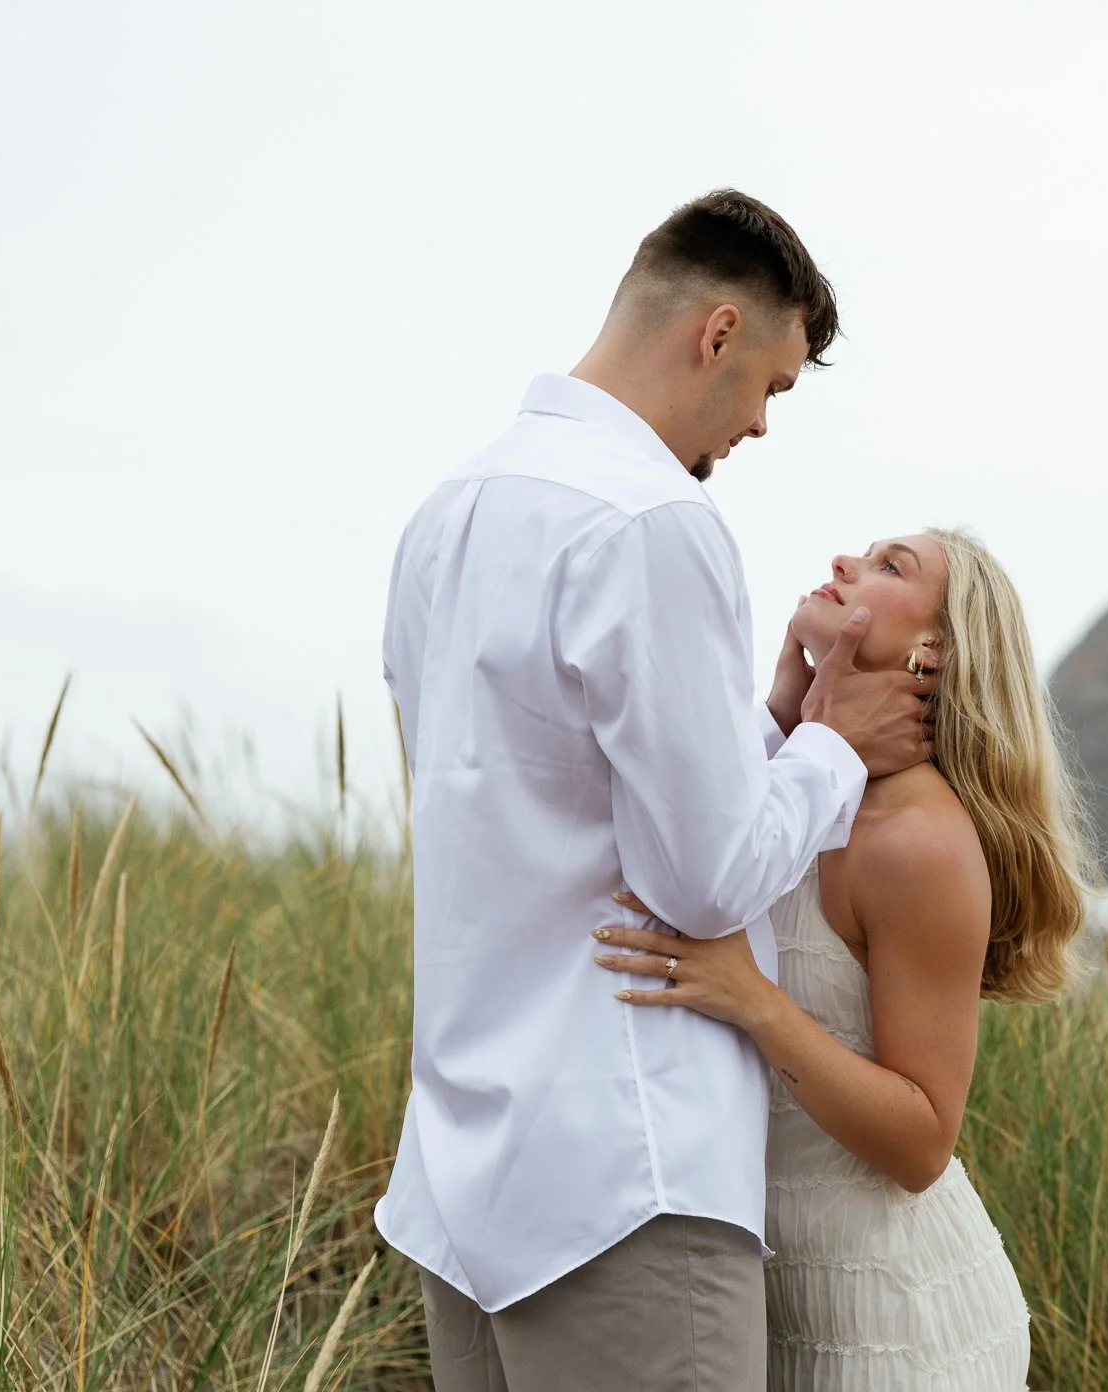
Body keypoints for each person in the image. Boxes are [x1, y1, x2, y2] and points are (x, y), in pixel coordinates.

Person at [376, 190, 934, 1392]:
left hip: (461, 1176)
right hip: (621, 1186)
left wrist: (773, 724)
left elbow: (544, 798)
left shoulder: (446, 516)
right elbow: (704, 880)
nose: (761, 429)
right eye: (773, 388)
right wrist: (832, 746)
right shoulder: (655, 522)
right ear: (717, 335)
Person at [591, 528, 1094, 1389]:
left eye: (889, 565)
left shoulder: (918, 840)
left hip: (900, 1325)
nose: (841, 563)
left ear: (936, 651)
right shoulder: (790, 785)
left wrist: (752, 1000)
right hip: (780, 1304)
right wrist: (788, 713)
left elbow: (924, 1140)